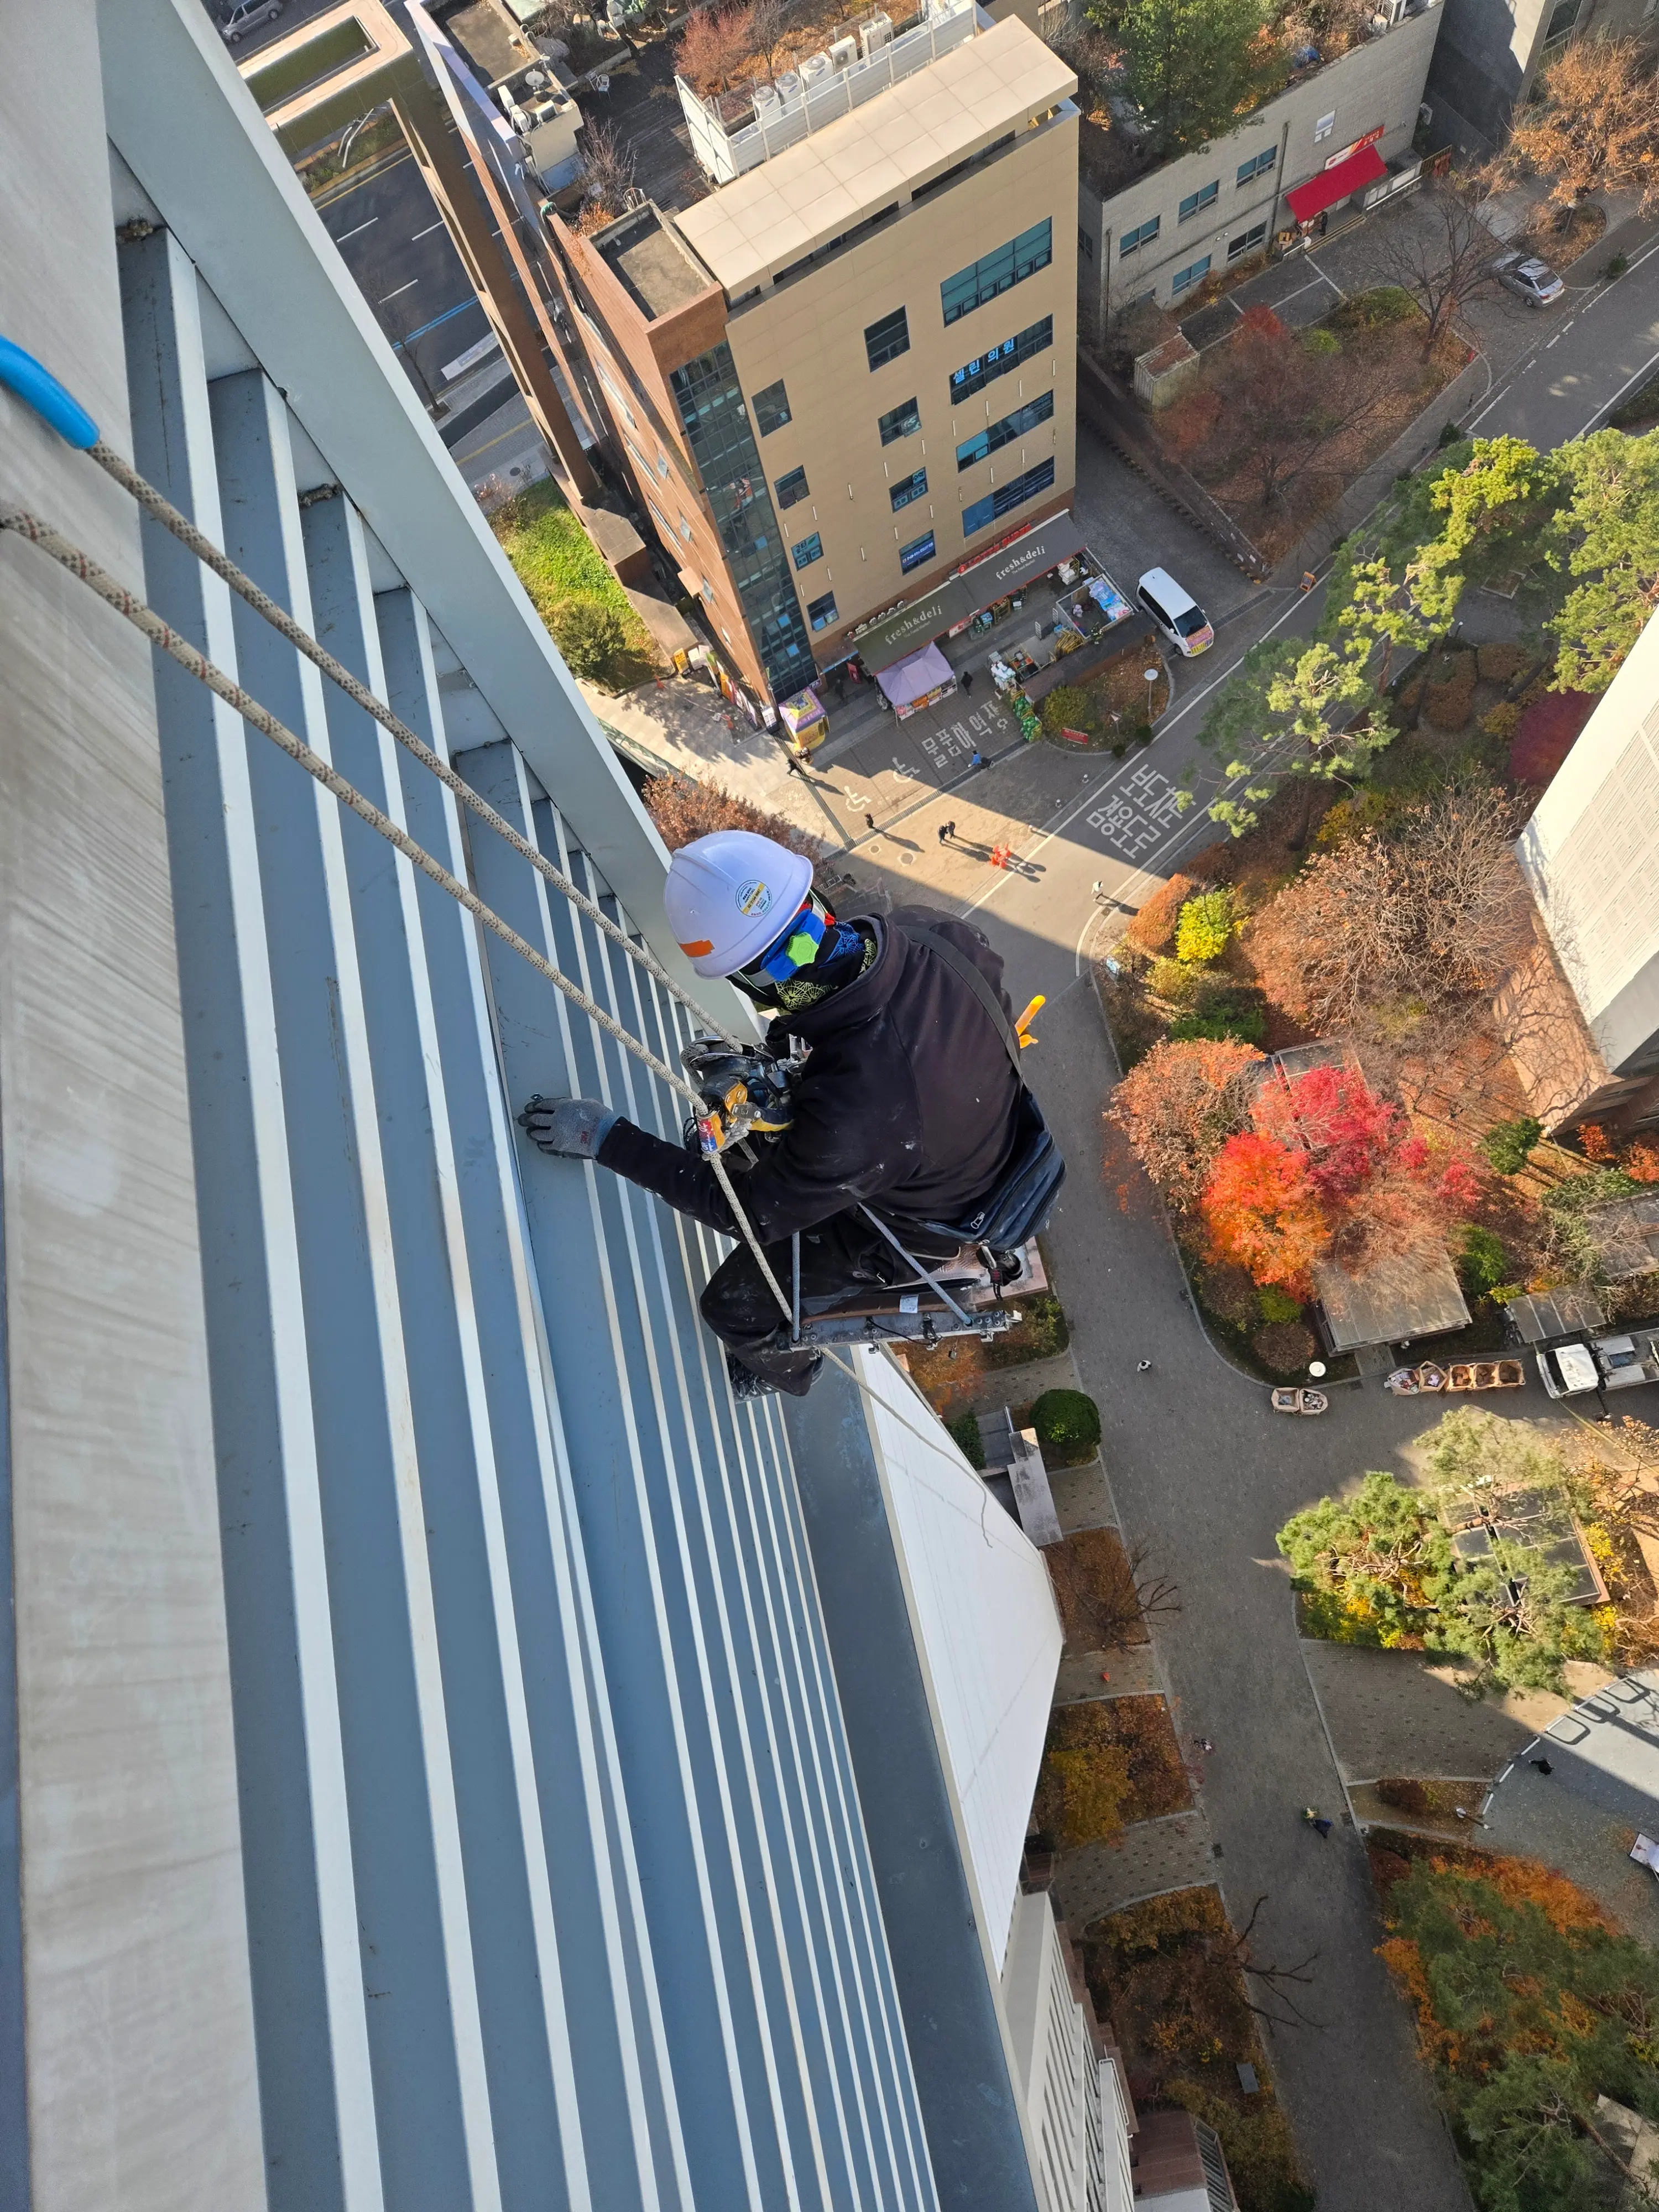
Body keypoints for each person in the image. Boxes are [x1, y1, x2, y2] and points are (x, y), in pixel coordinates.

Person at [519, 831, 1032, 1400]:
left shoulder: (858, 1116)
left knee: (733, 1309)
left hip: (926, 1222)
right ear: (815, 902)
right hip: (977, 1139)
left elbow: (744, 1212)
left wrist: (605, 1137)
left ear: (746, 981)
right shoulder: (936, 934)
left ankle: (790, 1370)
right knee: (731, 1152)